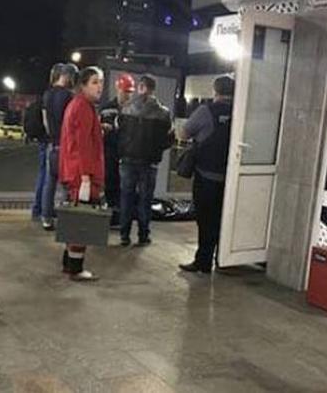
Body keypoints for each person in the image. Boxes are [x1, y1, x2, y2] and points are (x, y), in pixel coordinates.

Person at [179, 75, 235, 274]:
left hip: (206, 176)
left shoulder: (206, 111)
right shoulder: (239, 112)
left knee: (205, 220)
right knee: (224, 219)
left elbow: (183, 133)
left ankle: (203, 261)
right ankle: (224, 259)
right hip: (231, 179)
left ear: (215, 91)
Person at [58, 66, 105, 281]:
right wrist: (86, 176)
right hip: (82, 174)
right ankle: (76, 268)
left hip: (74, 171)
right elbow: (83, 144)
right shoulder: (84, 107)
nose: (99, 87)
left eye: (101, 82)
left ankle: (68, 263)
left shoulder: (76, 104)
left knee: (75, 218)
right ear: (83, 85)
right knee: (82, 221)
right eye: (94, 82)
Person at [117, 75, 172, 247]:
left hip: (127, 160)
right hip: (149, 162)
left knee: (126, 197)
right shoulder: (163, 113)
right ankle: (143, 235)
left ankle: (124, 235)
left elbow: (119, 133)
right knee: (145, 200)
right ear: (153, 89)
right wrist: (156, 150)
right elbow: (168, 140)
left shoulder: (126, 108)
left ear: (140, 87)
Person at [41, 63, 78, 231]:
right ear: (67, 76)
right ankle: (64, 220)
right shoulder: (70, 96)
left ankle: (46, 218)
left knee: (49, 183)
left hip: (52, 144)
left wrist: (52, 136)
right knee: (66, 184)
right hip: (66, 145)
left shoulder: (47, 95)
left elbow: (45, 122)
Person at [100, 73, 135, 227]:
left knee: (126, 188)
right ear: (118, 89)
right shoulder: (107, 109)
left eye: (130, 92)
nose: (128, 95)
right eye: (125, 91)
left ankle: (123, 217)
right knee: (110, 185)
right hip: (110, 154)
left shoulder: (134, 110)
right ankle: (113, 217)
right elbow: (101, 131)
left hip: (127, 155)